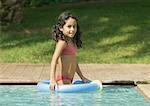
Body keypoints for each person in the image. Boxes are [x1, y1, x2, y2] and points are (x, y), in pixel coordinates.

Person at [50, 11, 90, 90]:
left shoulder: (72, 42)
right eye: (69, 26)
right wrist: (52, 79)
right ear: (61, 28)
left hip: (69, 81)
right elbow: (54, 60)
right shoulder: (62, 42)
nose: (72, 29)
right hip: (62, 81)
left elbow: (74, 62)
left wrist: (82, 77)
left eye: (74, 26)